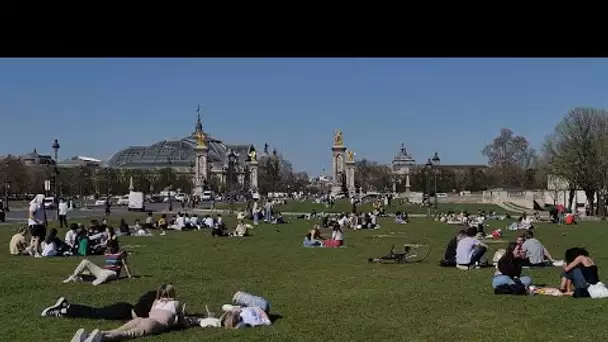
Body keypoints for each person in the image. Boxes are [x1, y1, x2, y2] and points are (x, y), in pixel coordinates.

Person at [71, 284, 187, 341]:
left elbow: (152, 313)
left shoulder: (156, 301)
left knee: (117, 330)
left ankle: (90, 335)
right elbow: (182, 322)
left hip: (143, 319)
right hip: (153, 324)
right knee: (127, 334)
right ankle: (101, 338)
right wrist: (180, 321)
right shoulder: (176, 303)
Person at [63, 227, 132, 286]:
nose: (109, 248)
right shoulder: (107, 251)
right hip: (103, 271)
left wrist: (129, 276)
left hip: (113, 273)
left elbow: (125, 265)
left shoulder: (121, 252)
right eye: (108, 247)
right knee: (85, 261)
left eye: (110, 247)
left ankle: (94, 280)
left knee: (104, 275)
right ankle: (73, 276)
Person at [41, 290, 157, 320]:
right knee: (95, 313)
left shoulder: (154, 297)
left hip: (125, 309)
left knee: (95, 312)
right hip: (123, 311)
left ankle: (66, 307)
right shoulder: (155, 300)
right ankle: (64, 309)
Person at [27, 194, 47, 258]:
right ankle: (36, 252)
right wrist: (38, 221)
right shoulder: (34, 205)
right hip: (34, 224)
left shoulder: (41, 205)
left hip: (41, 224)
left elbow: (43, 213)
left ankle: (30, 248)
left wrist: (45, 221)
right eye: (43, 199)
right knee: (38, 237)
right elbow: (31, 215)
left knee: (41, 238)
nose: (44, 201)